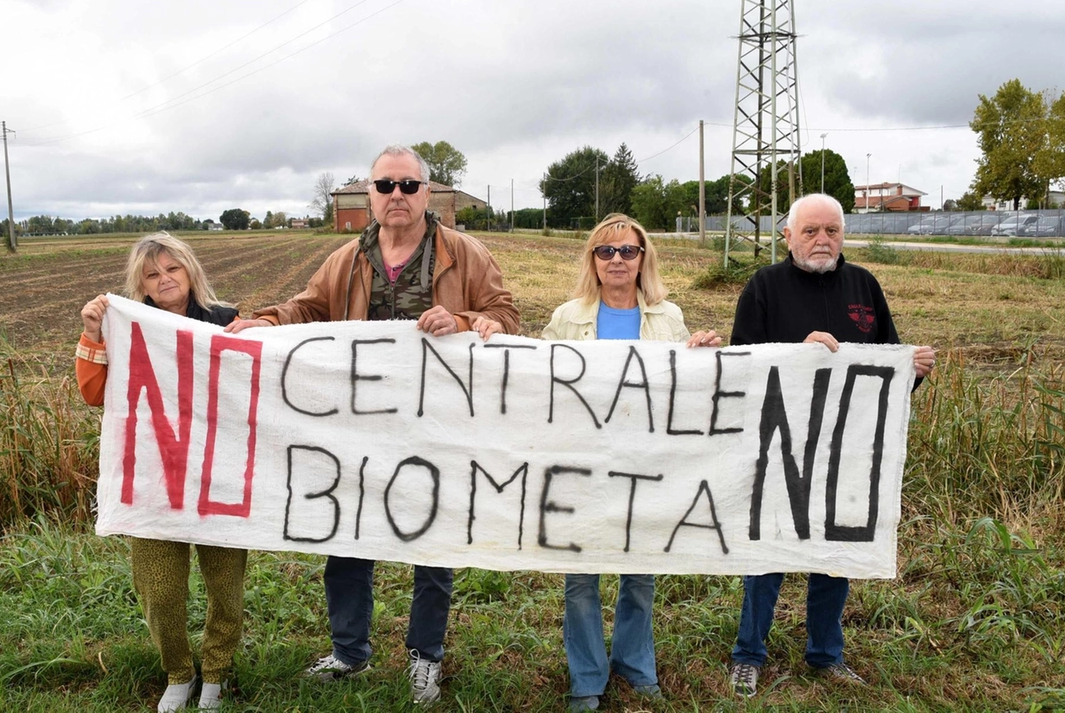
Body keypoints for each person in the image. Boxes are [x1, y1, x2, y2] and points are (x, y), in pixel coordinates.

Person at [226, 144, 520, 704]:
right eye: (386, 186)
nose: (397, 197)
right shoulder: (347, 259)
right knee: (348, 537)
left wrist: (460, 320)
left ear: (427, 193)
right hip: (357, 428)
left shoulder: (463, 253)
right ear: (370, 194)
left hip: (439, 425)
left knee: (432, 545)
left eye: (408, 186)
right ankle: (349, 652)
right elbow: (308, 309)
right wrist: (263, 322)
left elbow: (505, 316)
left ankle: (425, 657)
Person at [726, 193, 936, 697]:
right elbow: (739, 365)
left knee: (834, 551)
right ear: (788, 236)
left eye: (832, 231)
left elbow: (885, 367)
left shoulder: (864, 284)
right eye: (811, 231)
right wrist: (798, 358)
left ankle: (825, 654)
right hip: (781, 447)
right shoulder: (764, 287)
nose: (823, 240)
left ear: (844, 234)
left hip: (847, 449)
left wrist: (912, 371)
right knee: (768, 551)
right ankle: (748, 654)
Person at [542, 213, 721, 712]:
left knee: (640, 573)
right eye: (606, 251)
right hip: (582, 463)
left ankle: (636, 664)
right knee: (581, 579)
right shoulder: (566, 319)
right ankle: (587, 678)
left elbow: (686, 392)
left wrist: (704, 357)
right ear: (593, 261)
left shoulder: (669, 318)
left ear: (644, 258)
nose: (617, 260)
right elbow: (541, 385)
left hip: (647, 463)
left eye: (627, 251)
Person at [76, 233, 246, 713]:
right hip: (152, 477)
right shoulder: (123, 326)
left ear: (191, 270)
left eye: (172, 268)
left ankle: (216, 671)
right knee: (161, 590)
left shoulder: (226, 320)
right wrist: (92, 334)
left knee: (225, 586)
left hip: (219, 474)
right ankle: (178, 670)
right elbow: (94, 394)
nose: (164, 279)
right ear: (140, 285)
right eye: (152, 274)